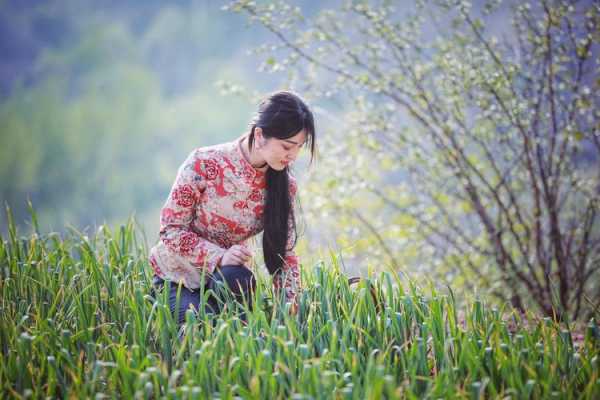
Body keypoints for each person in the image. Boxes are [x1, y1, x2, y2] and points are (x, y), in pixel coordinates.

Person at [148, 90, 316, 325]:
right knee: (200, 325)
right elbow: (171, 229)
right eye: (287, 146)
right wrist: (219, 256)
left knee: (238, 298)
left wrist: (289, 317)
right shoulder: (204, 163)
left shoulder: (284, 187)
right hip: (177, 279)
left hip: (229, 281)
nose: (293, 156)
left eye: (299, 147)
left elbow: (284, 256)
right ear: (259, 135)